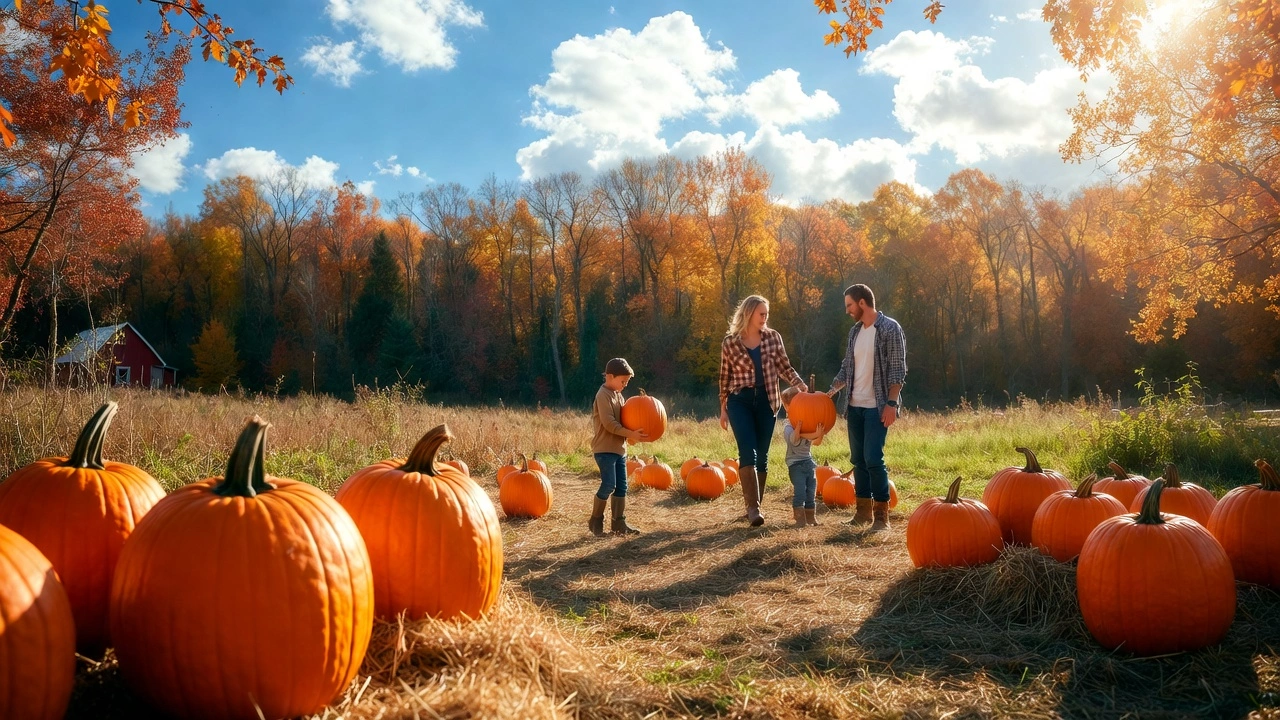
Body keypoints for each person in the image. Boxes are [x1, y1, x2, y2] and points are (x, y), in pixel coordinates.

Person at [719, 295, 807, 527]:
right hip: (740, 401)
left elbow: (784, 367)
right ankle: (753, 509)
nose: (765, 318)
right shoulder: (730, 342)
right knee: (748, 451)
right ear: (749, 313)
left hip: (768, 401)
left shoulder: (773, 338)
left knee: (762, 455)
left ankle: (755, 504)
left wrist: (799, 385)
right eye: (761, 314)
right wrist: (723, 409)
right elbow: (724, 378)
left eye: (767, 314)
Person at [828, 284, 907, 532]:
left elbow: (897, 370)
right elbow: (846, 367)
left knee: (873, 458)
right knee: (859, 460)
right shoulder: (855, 332)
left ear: (862, 303)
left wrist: (891, 403)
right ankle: (862, 513)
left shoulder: (890, 328)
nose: (847, 310)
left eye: (849, 305)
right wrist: (828, 393)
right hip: (855, 406)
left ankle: (881, 517)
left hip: (878, 406)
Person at [589, 357, 648, 536]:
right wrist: (630, 433)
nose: (624, 385)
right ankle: (595, 520)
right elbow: (609, 424)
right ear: (610, 376)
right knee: (609, 484)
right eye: (623, 381)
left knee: (622, 487)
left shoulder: (619, 395)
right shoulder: (603, 395)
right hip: (604, 449)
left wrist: (632, 436)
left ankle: (618, 523)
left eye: (627, 382)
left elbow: (624, 421)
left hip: (620, 450)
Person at [780, 386, 827, 527]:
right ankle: (800, 519)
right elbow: (794, 440)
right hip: (796, 465)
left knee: (811, 491)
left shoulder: (808, 422)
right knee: (800, 491)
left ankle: (811, 518)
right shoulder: (788, 426)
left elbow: (816, 443)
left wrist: (819, 434)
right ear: (787, 407)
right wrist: (808, 432)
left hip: (808, 462)